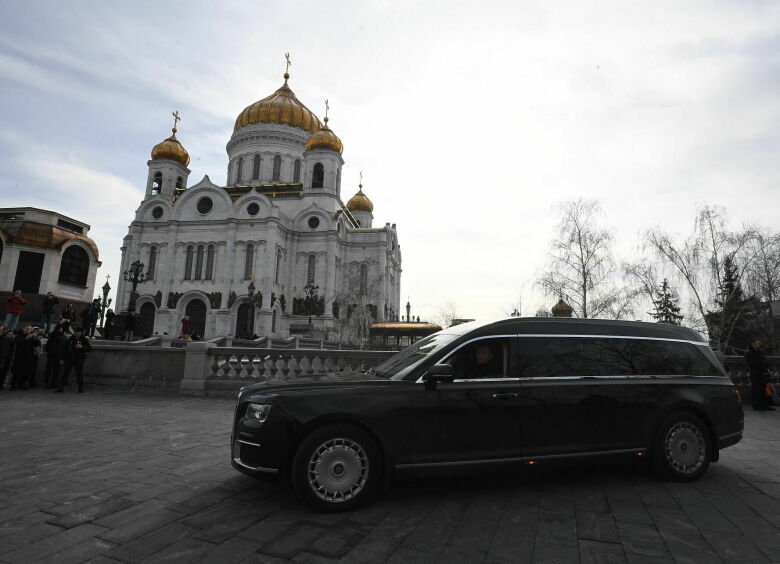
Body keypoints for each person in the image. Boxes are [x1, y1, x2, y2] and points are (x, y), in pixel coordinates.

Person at [56, 326, 91, 393]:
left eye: (78, 332)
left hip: (79, 360)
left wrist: (82, 347)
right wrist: (62, 358)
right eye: (76, 332)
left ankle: (80, 389)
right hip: (69, 359)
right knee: (65, 373)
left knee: (79, 374)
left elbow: (89, 348)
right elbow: (64, 349)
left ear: (81, 333)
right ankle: (60, 388)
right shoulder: (71, 338)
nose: (77, 333)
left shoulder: (83, 339)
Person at [746, 339, 774, 411]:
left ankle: (764, 405)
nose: (759, 345)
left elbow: (765, 361)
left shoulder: (760, 352)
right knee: (756, 391)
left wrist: (770, 368)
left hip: (763, 374)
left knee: (764, 391)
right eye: (757, 343)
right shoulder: (749, 353)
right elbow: (753, 364)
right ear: (753, 344)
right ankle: (756, 406)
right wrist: (764, 368)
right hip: (755, 374)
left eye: (759, 343)